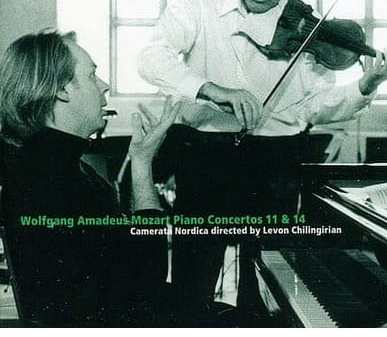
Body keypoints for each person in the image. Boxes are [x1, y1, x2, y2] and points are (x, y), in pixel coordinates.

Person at [136, 0, 387, 323]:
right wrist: (212, 89)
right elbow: (151, 58)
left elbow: (315, 106)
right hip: (204, 157)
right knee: (194, 280)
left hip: (275, 162)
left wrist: (365, 86)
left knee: (266, 286)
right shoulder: (198, 3)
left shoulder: (307, 28)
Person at [0, 30, 231, 327]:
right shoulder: (57, 181)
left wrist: (141, 157)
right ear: (61, 89)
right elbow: (148, 276)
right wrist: (142, 165)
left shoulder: (42, 165)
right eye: (92, 75)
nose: (104, 86)